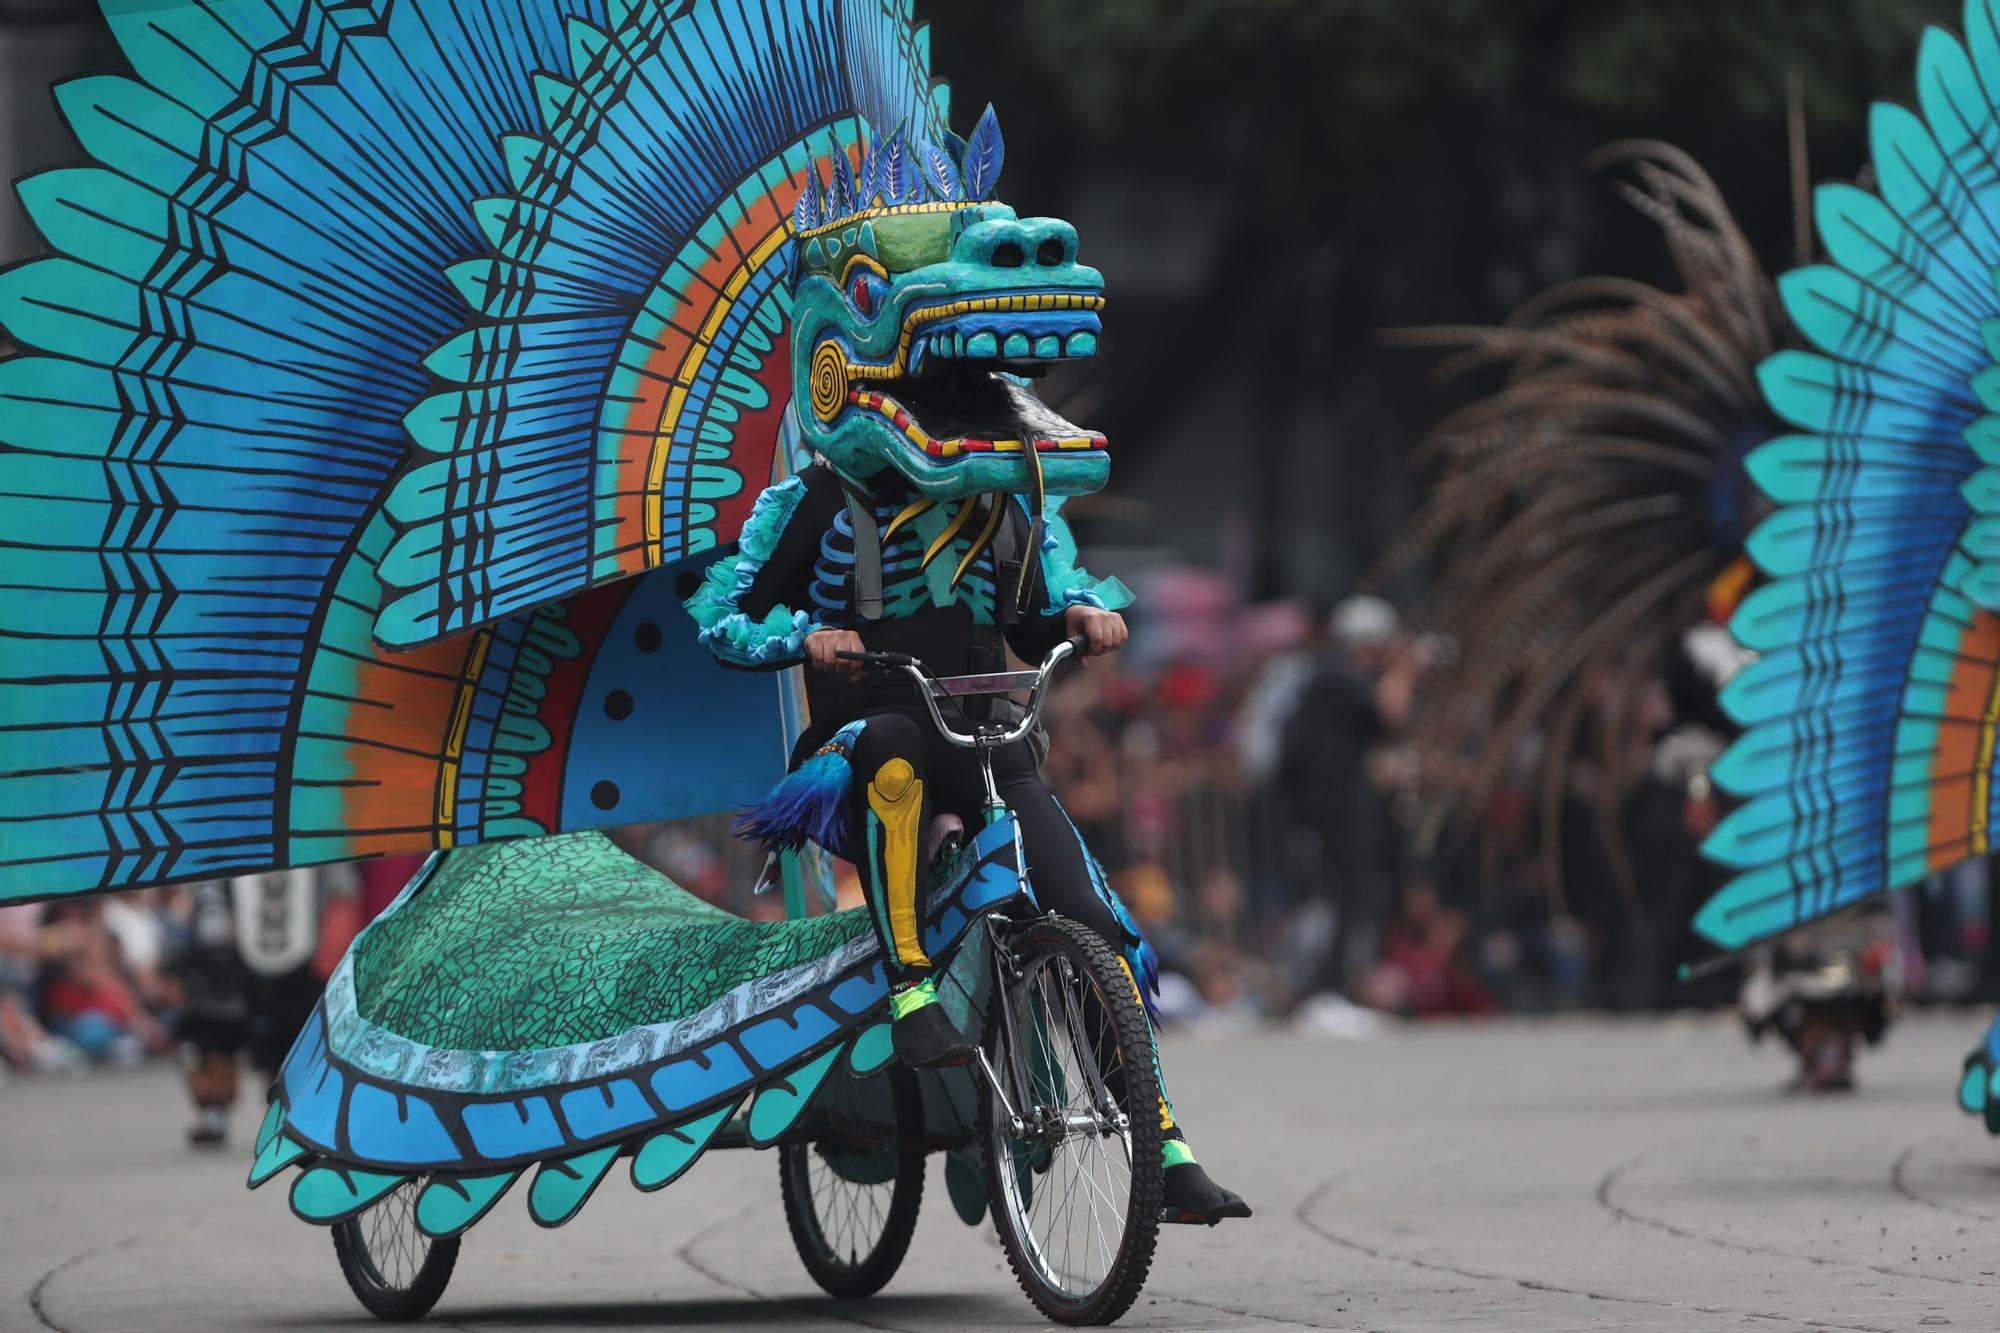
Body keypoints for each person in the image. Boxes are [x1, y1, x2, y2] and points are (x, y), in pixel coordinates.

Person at [692, 464, 1251, 1223]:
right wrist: (807, 635)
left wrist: (1080, 619)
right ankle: (911, 986)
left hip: (986, 737)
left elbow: (1030, 621)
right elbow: (723, 619)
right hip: (864, 742)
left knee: (1087, 908)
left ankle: (1163, 1144)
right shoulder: (819, 499)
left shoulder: (1007, 491)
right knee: (892, 745)